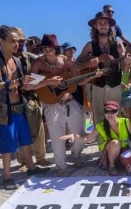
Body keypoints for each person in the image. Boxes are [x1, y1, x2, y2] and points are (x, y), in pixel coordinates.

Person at [0, 26, 51, 190]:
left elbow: (22, 82)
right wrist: (17, 82)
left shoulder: (16, 60)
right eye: (12, 41)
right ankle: (7, 176)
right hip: (4, 111)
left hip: (20, 107)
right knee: (7, 145)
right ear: (1, 41)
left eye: (18, 41)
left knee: (25, 140)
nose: (16, 44)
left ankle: (31, 168)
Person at [32, 33, 92, 176]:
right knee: (56, 137)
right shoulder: (38, 63)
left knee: (80, 134)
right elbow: (30, 85)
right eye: (45, 49)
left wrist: (92, 75)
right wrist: (48, 82)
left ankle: (76, 154)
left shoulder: (65, 61)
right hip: (51, 104)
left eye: (50, 49)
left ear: (56, 49)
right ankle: (61, 167)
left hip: (71, 102)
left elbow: (77, 80)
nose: (47, 51)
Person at [76, 12, 129, 124]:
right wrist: (88, 64)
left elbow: (124, 66)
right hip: (97, 86)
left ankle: (115, 140)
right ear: (95, 26)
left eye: (105, 23)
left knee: (115, 115)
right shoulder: (90, 45)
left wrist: (128, 63)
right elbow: (76, 65)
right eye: (99, 23)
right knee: (98, 116)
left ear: (109, 26)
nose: (103, 25)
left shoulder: (118, 44)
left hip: (115, 85)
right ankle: (101, 140)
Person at [62, 101, 131, 176]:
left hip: (124, 149)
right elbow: (87, 139)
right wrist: (74, 136)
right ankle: (111, 166)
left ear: (117, 112)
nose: (109, 114)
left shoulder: (126, 122)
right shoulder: (100, 126)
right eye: (107, 111)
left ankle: (123, 163)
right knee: (116, 142)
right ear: (104, 112)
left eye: (113, 111)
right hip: (109, 150)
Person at [13, 27, 50, 167]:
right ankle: (23, 161)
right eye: (18, 42)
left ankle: (41, 158)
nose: (21, 45)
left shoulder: (31, 58)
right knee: (19, 132)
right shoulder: (6, 61)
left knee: (38, 131)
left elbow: (47, 64)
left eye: (23, 42)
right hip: (15, 100)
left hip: (32, 99)